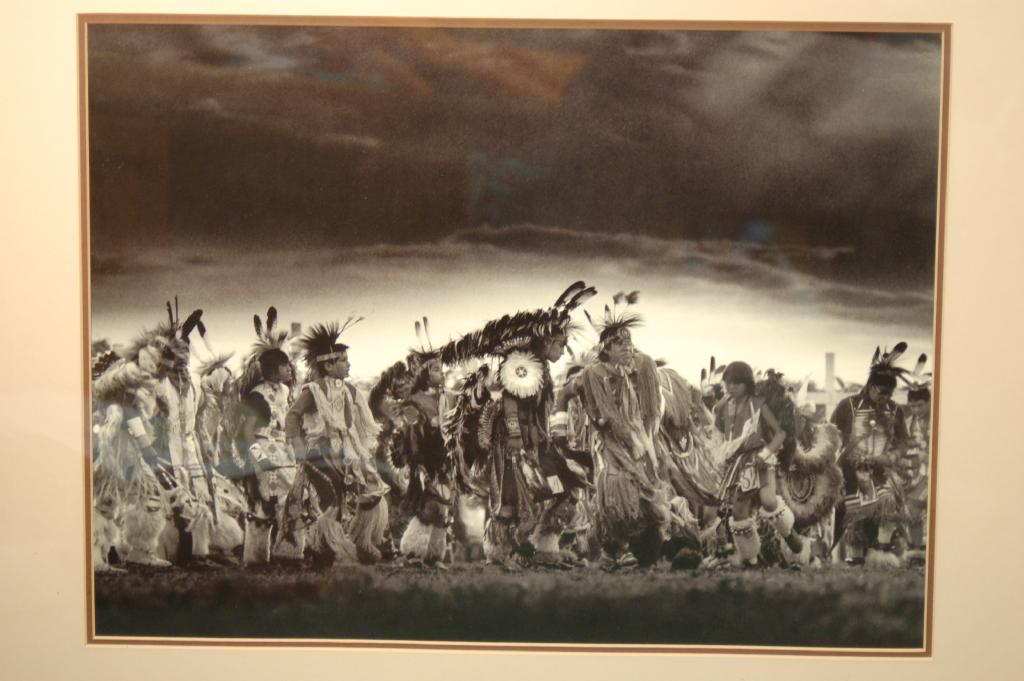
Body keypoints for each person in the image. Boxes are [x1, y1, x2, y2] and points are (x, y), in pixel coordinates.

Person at [441, 281, 596, 567]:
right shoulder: (521, 365)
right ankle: (501, 552)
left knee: (565, 488)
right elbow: (510, 401)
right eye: (561, 344)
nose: (563, 351)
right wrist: (514, 435)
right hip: (515, 449)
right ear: (547, 342)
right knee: (511, 502)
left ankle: (545, 547)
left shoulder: (541, 368)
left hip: (538, 446)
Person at [555, 291, 672, 568]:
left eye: (629, 342)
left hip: (642, 442)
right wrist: (559, 429)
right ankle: (613, 552)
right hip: (609, 445)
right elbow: (563, 395)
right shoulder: (591, 375)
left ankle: (642, 553)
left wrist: (645, 437)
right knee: (616, 496)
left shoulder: (641, 367)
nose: (627, 347)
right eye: (620, 343)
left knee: (645, 498)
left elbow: (653, 406)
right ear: (606, 348)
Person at [285, 319, 388, 565]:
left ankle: (362, 542)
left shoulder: (350, 390)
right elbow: (292, 415)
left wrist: (361, 449)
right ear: (328, 365)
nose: (348, 364)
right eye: (343, 360)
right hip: (319, 452)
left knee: (372, 492)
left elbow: (357, 423)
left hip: (347, 452)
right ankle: (325, 549)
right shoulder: (313, 390)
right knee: (331, 500)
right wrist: (297, 447)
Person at [713, 361, 807, 567]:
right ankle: (751, 559)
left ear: (747, 384)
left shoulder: (758, 405)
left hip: (760, 459)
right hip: (736, 463)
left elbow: (780, 433)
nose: (731, 387)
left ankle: (788, 533)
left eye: (736, 383)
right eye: (728, 382)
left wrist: (765, 454)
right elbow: (718, 437)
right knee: (739, 512)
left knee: (769, 502)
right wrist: (721, 455)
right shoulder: (721, 408)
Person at [830, 344, 911, 565]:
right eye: (883, 393)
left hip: (882, 471)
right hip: (850, 473)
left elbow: (903, 440)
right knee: (853, 517)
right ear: (872, 387)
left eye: (890, 393)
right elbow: (832, 436)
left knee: (884, 509)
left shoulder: (895, 410)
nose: (887, 397)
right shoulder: (848, 406)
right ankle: (853, 558)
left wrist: (891, 457)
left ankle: (877, 555)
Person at [236, 307, 301, 566]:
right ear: (272, 371)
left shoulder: (284, 391)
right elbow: (246, 433)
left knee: (291, 499)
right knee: (263, 505)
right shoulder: (257, 395)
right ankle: (257, 557)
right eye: (285, 366)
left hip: (283, 451)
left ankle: (288, 552)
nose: (289, 369)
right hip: (263, 451)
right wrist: (259, 459)